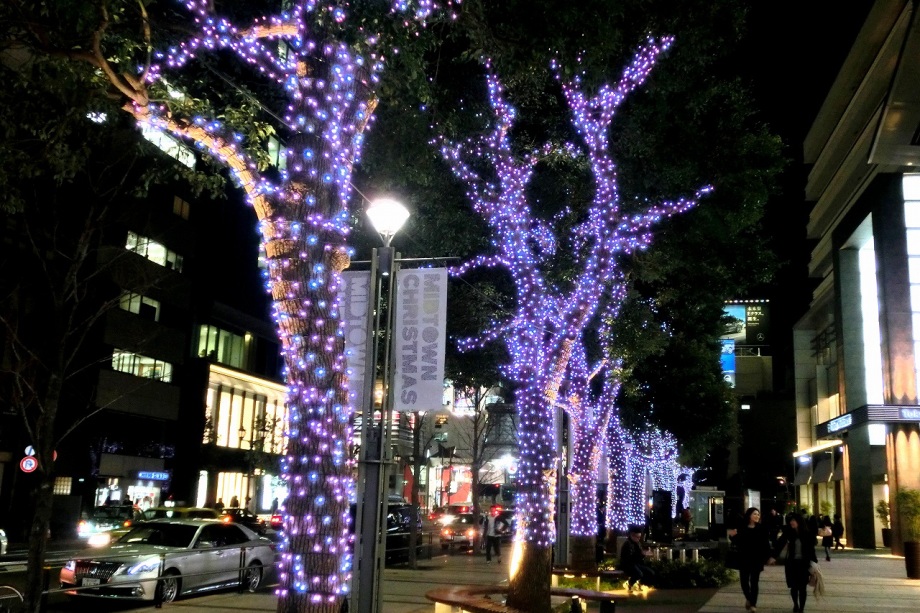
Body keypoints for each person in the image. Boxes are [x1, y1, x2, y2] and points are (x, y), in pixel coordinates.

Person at [768, 512, 818, 613]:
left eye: (793, 520)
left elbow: (811, 550)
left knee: (802, 588)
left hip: (804, 564)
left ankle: (801, 609)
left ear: (799, 521)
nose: (791, 522)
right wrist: (773, 556)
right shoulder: (788, 532)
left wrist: (815, 564)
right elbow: (779, 544)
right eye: (790, 520)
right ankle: (796, 604)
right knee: (794, 587)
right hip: (792, 564)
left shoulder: (807, 534)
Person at [728, 507, 772, 612]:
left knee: (754, 582)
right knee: (744, 581)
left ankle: (753, 604)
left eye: (758, 514)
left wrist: (769, 557)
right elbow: (736, 540)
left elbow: (766, 544)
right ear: (749, 515)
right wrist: (732, 536)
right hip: (744, 558)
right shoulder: (742, 527)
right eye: (755, 514)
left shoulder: (762, 528)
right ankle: (749, 598)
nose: (757, 516)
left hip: (757, 559)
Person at [618, 524, 654, 593]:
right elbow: (629, 558)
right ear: (632, 535)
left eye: (639, 537)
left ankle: (640, 584)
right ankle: (629, 584)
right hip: (627, 564)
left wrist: (644, 554)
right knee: (639, 573)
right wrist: (642, 554)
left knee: (650, 572)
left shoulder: (637, 543)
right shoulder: (627, 544)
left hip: (635, 563)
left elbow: (639, 555)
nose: (638, 539)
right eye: (637, 537)